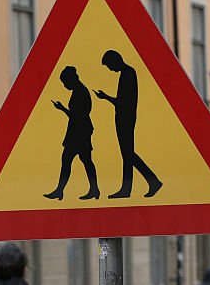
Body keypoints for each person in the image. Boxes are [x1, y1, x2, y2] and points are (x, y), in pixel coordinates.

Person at [94, 49, 163, 199]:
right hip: (123, 117)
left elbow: (123, 102)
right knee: (127, 154)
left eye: (110, 66)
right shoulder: (126, 73)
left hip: (126, 119)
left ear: (115, 60)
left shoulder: (128, 74)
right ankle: (135, 187)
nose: (110, 69)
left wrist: (105, 97)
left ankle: (150, 182)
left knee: (128, 154)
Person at [46, 66, 99, 201]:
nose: (65, 86)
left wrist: (62, 108)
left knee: (78, 160)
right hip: (78, 130)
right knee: (77, 160)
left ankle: (92, 189)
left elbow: (78, 115)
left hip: (80, 132)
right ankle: (92, 189)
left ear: (72, 79)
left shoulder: (81, 92)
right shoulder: (78, 91)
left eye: (65, 83)